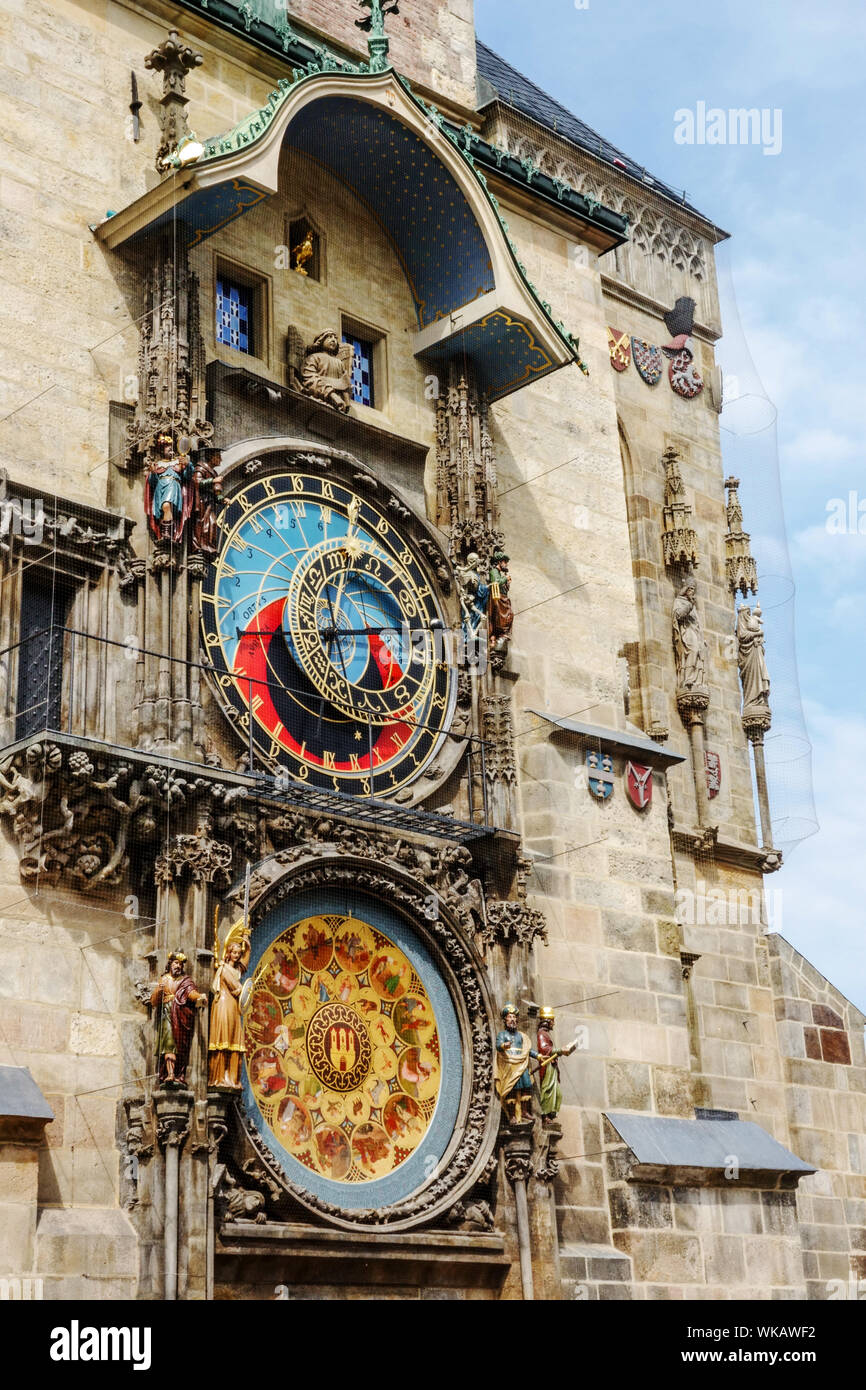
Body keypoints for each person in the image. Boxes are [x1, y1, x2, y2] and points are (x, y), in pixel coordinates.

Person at [151, 951, 207, 1086]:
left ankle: (178, 1073)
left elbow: (191, 993)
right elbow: (153, 1001)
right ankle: (170, 1074)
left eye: (180, 964)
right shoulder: (164, 979)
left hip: (181, 1017)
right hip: (167, 1015)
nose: (178, 966)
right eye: (176, 963)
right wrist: (159, 990)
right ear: (170, 964)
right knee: (169, 1043)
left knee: (180, 1046)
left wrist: (199, 997)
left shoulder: (185, 980)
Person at [208, 930, 250, 1089]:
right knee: (223, 1040)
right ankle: (220, 1077)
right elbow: (238, 988)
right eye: (234, 952)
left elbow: (245, 962)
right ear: (228, 953)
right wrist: (246, 990)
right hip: (224, 1006)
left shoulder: (237, 970)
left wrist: (247, 942)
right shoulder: (224, 969)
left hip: (233, 1007)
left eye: (239, 953)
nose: (237, 956)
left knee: (234, 1042)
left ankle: (232, 1079)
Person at [144, 433, 194, 542]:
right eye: (167, 448)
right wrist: (152, 473)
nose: (170, 449)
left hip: (173, 485)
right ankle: (164, 533)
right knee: (163, 510)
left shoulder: (178, 462)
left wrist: (188, 464)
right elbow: (153, 483)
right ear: (162, 450)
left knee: (167, 506)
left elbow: (188, 476)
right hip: (160, 487)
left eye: (171, 447)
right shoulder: (158, 464)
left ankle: (167, 532)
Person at [495, 1003, 536, 1122]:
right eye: (510, 1017)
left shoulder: (521, 1036)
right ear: (505, 1019)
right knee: (510, 1089)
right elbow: (498, 1046)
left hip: (521, 1063)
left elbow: (527, 1050)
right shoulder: (502, 1034)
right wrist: (504, 1045)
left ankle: (524, 1111)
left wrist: (538, 1056)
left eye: (514, 1017)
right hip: (509, 1064)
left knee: (527, 1086)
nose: (512, 1020)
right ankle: (512, 1115)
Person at [535, 1007, 576, 1121]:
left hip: (552, 1066)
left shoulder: (546, 1034)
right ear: (547, 1021)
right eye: (552, 1020)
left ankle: (551, 1113)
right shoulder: (542, 1034)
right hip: (547, 1066)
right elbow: (544, 1049)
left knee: (557, 1093)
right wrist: (560, 1050)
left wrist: (560, 1051)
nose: (554, 1023)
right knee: (548, 1090)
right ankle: (545, 1114)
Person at [300, 331, 353, 413]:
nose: (333, 340)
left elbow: (345, 384)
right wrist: (332, 395)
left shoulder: (339, 363)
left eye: (335, 338)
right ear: (321, 340)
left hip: (339, 406)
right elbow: (310, 379)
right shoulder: (314, 357)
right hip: (320, 399)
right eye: (329, 337)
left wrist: (346, 402)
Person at [736, 603, 771, 719]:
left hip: (756, 652)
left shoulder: (750, 623)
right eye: (746, 613)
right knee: (752, 678)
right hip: (748, 656)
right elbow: (742, 636)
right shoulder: (741, 624)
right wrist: (758, 633)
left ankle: (759, 699)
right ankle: (752, 700)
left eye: (749, 613)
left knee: (759, 675)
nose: (748, 615)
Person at [671, 582, 708, 691]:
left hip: (695, 633)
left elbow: (697, 623)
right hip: (686, 631)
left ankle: (697, 680)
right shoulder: (679, 601)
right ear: (685, 590)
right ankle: (688, 678)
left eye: (693, 589)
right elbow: (678, 615)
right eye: (690, 589)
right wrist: (690, 606)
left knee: (700, 652)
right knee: (693, 650)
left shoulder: (692, 605)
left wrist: (702, 637)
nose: (692, 591)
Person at [190, 445, 224, 555]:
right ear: (211, 457)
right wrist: (213, 481)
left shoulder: (214, 473)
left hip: (209, 503)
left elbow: (217, 491)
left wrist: (222, 499)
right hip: (201, 502)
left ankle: (208, 546)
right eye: (218, 457)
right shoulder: (200, 469)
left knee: (212, 522)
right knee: (202, 523)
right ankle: (199, 545)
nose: (221, 460)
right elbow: (197, 483)